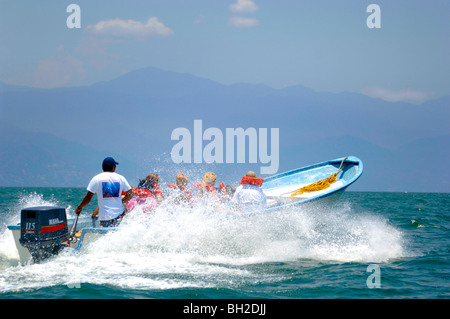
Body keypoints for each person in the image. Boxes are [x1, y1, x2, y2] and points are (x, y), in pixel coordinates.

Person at [76, 157, 133, 227]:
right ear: (113, 167)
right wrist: (122, 201)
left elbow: (88, 198)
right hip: (120, 215)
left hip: (105, 217)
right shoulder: (121, 178)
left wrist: (79, 207)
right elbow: (130, 193)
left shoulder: (96, 178)